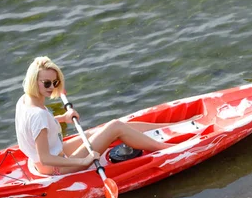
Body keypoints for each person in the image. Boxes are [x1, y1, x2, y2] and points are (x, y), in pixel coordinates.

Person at [15, 56, 173, 176]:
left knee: (98, 131)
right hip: (55, 168)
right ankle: (167, 149)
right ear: (34, 81)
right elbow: (45, 158)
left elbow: (38, 129)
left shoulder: (24, 101)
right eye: (47, 83)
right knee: (115, 126)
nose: (52, 88)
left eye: (55, 83)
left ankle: (168, 127)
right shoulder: (38, 115)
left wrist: (63, 118)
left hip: (51, 156)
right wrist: (83, 161)